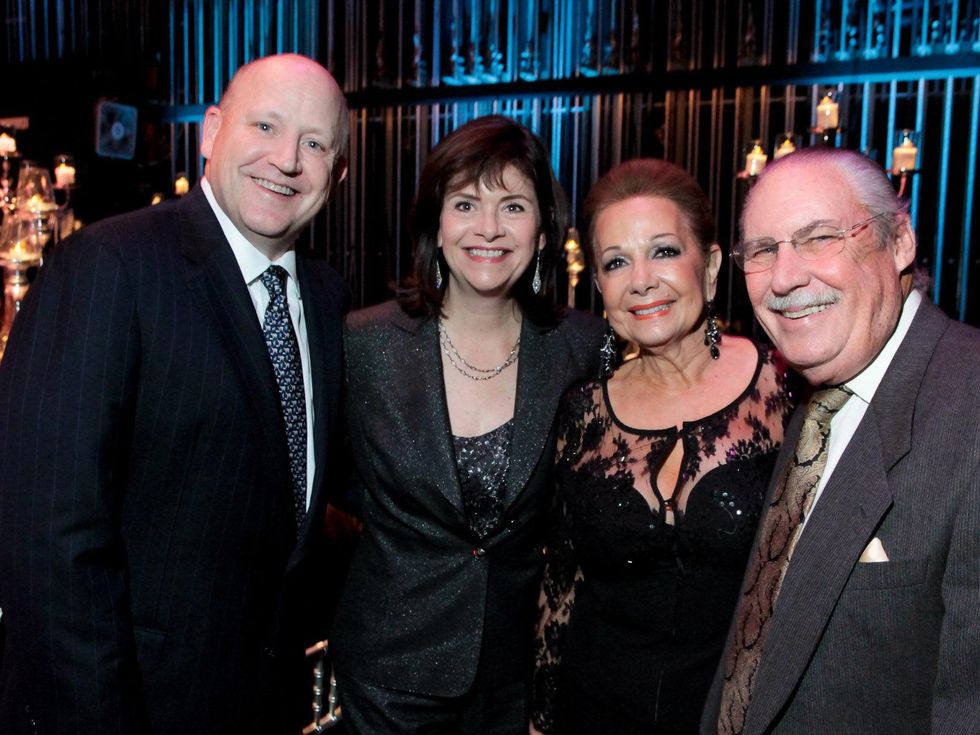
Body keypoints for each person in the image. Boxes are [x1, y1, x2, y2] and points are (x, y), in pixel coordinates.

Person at [0, 54, 350, 734]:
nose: (286, 159)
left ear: (338, 173)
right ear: (211, 132)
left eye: (315, 143)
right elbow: (49, 542)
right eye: (266, 126)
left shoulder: (328, 297)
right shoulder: (110, 266)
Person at [330, 115, 603, 734]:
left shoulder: (581, 348)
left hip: (516, 677)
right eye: (465, 204)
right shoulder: (366, 343)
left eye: (512, 205)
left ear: (542, 231)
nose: (487, 228)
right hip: (388, 676)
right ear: (436, 224)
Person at [701, 147, 980, 735]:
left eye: (820, 237)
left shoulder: (968, 404)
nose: (784, 277)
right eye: (762, 251)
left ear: (899, 241)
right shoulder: (818, 399)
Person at [531, 159, 796, 735]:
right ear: (599, 286)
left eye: (665, 251)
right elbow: (560, 588)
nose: (641, 280)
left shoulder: (785, 388)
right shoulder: (583, 411)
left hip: (738, 716)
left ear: (712, 266)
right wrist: (541, 721)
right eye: (617, 262)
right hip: (596, 711)